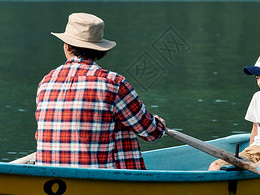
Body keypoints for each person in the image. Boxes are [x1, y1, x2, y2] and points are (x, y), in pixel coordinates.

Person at [35, 12, 166, 169]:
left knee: (114, 122)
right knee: (120, 125)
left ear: (67, 46)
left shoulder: (46, 81)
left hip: (47, 175)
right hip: (96, 179)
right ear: (99, 50)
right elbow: (149, 132)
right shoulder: (114, 83)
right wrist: (159, 125)